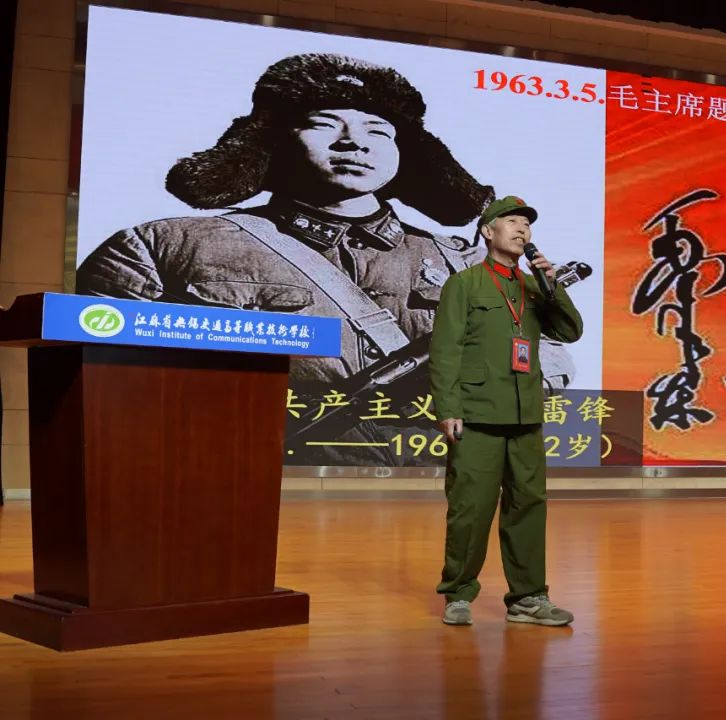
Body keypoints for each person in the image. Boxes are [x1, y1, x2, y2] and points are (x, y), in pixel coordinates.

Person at [76, 53, 575, 466]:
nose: (353, 142)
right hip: (248, 482)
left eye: (378, 131)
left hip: (436, 484)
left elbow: (547, 351)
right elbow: (110, 383)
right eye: (322, 125)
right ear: (272, 141)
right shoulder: (162, 247)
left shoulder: (461, 260)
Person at [429, 196, 584, 626]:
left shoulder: (535, 287)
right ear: (487, 231)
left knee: (529, 505)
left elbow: (570, 330)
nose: (521, 230)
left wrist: (553, 285)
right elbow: (445, 350)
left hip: (525, 415)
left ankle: (528, 598)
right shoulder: (464, 284)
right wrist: (448, 407)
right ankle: (458, 593)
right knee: (470, 508)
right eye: (511, 221)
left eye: (526, 225)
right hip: (477, 414)